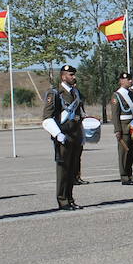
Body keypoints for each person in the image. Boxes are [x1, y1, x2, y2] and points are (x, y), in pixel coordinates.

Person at [41, 64, 85, 210]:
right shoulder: (54, 93)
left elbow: (79, 115)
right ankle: (62, 200)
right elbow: (47, 117)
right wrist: (57, 134)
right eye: (71, 75)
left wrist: (82, 133)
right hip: (63, 135)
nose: (73, 77)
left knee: (72, 169)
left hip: (75, 135)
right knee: (63, 169)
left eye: (74, 75)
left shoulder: (76, 92)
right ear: (63, 76)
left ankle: (70, 198)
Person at [111, 72, 133, 186]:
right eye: (127, 79)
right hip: (123, 127)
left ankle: (129, 175)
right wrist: (117, 130)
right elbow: (115, 114)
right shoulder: (117, 95)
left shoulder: (131, 94)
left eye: (130, 79)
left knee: (132, 152)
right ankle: (124, 176)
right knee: (124, 153)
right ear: (121, 81)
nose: (130, 81)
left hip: (132, 125)